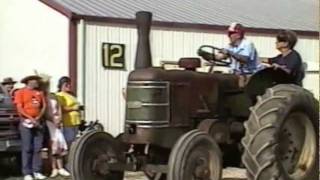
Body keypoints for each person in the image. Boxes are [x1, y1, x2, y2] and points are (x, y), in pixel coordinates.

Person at [14, 75, 47, 180]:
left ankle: (37, 170)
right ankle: (27, 172)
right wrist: (30, 118)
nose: (37, 82)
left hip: (38, 122)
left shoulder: (39, 93)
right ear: (29, 82)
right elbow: (19, 107)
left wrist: (38, 117)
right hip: (26, 123)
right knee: (27, 148)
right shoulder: (20, 92)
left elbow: (44, 106)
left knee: (38, 148)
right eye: (34, 80)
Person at [39, 75, 70, 178]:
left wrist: (59, 118)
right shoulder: (41, 96)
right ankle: (54, 168)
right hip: (49, 122)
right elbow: (44, 112)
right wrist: (52, 120)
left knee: (59, 144)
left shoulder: (53, 96)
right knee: (52, 146)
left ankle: (61, 167)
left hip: (57, 121)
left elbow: (59, 108)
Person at [55, 76, 81, 147]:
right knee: (68, 140)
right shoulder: (60, 95)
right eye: (66, 84)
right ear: (61, 85)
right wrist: (73, 108)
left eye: (69, 84)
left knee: (74, 140)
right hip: (67, 122)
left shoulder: (71, 95)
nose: (68, 86)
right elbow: (61, 108)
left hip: (75, 121)